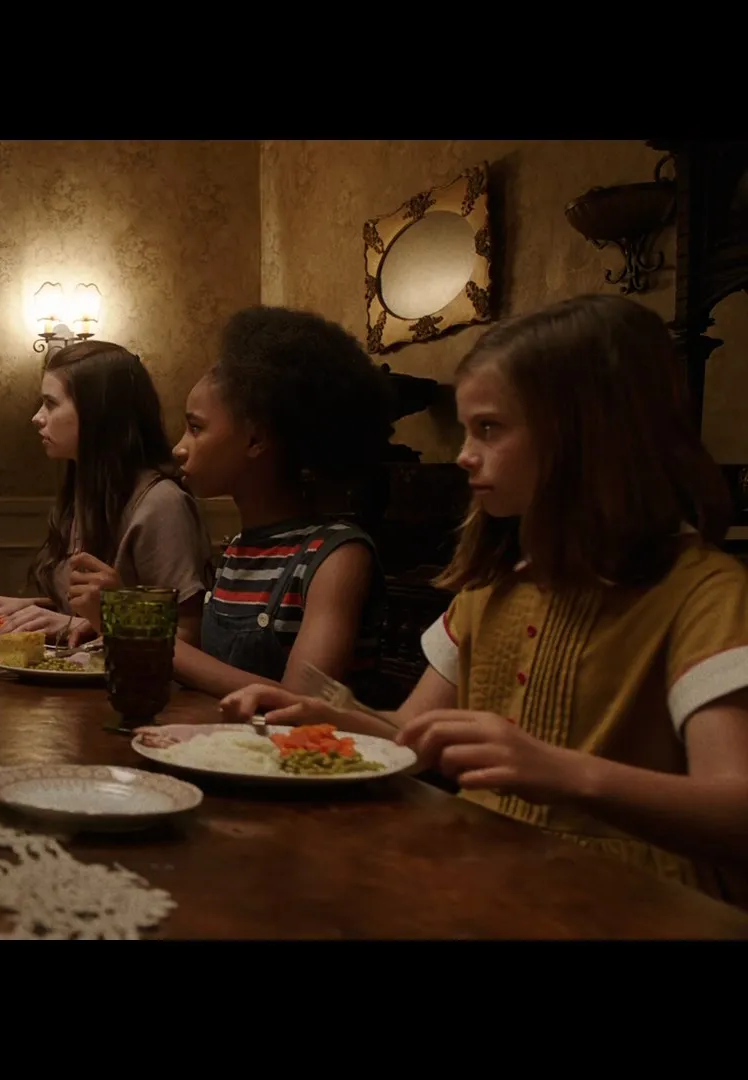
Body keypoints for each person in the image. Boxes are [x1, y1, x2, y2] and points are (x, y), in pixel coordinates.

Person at [223, 294, 748, 901]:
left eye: (489, 429)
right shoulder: (492, 586)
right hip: (484, 871)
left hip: (633, 900)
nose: (464, 456)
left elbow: (735, 812)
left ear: (587, 435)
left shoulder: (702, 595)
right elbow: (411, 734)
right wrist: (321, 715)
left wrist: (564, 772)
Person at [170, 306, 393, 697]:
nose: (179, 448)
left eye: (195, 428)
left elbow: (299, 701)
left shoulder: (336, 556)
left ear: (256, 440)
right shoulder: (239, 549)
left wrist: (155, 642)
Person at [0, 340, 212, 645]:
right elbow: (92, 608)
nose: (37, 417)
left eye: (51, 404)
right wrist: (34, 608)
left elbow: (186, 634)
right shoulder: (86, 492)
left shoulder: (161, 504)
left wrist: (71, 623)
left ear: (97, 413)